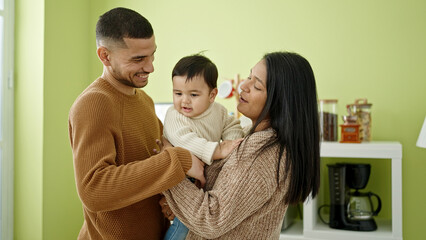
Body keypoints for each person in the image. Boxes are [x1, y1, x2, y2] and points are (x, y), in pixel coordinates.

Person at [68, 7, 205, 240]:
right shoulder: (93, 104)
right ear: (105, 56)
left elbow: (151, 167)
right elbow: (94, 190)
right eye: (139, 59)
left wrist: (168, 200)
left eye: (152, 55)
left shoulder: (144, 101)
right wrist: (179, 160)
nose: (150, 67)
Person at [161, 51, 321, 239]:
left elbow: (211, 219)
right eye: (248, 77)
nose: (243, 86)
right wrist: (181, 208)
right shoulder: (254, 138)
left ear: (279, 101)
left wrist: (169, 166)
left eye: (256, 86)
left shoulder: (260, 153)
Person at [162, 54, 244, 240]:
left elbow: (232, 126)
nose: (184, 101)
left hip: (205, 177)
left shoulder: (219, 112)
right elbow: (183, 140)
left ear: (212, 95)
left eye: (193, 95)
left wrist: (232, 143)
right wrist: (218, 150)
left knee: (202, 225)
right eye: (178, 93)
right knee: (183, 226)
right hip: (181, 178)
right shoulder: (174, 115)